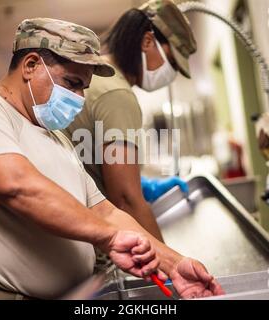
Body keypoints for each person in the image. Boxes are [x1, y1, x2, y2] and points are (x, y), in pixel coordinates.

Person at [0, 17, 223, 300]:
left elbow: (105, 211)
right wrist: (109, 237)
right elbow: (17, 186)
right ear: (31, 65)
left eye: (83, 86)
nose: (80, 97)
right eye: (71, 83)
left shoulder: (57, 139)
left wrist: (174, 264)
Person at [64, 0, 196, 241]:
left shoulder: (94, 73)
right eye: (172, 61)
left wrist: (138, 183)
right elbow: (125, 200)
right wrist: (170, 265)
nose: (171, 72)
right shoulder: (118, 94)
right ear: (147, 41)